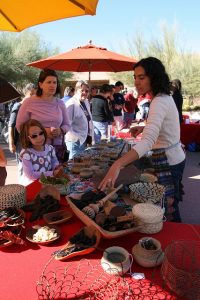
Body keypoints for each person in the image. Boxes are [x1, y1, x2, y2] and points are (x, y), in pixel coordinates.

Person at [99, 57, 186, 222]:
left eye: (142, 77)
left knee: (168, 209)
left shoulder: (159, 101)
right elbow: (165, 127)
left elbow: (147, 142)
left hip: (169, 161)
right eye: (135, 77)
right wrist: (144, 127)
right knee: (170, 205)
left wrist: (118, 164)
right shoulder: (162, 97)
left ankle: (175, 242)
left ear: (154, 77)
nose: (137, 82)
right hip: (174, 156)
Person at [16, 69, 69, 148]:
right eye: (49, 82)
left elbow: (67, 125)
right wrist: (40, 132)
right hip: (35, 150)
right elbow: (20, 127)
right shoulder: (29, 102)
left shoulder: (60, 103)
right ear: (40, 85)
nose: (52, 85)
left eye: (55, 82)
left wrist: (60, 130)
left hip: (57, 149)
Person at [19, 119, 62, 186]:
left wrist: (57, 169)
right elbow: (30, 175)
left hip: (48, 182)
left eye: (41, 133)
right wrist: (52, 173)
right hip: (32, 185)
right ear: (27, 138)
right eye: (34, 136)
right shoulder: (27, 154)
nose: (39, 137)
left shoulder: (50, 149)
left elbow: (55, 163)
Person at [65, 80, 94, 159]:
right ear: (76, 91)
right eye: (82, 90)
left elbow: (89, 120)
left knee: (81, 166)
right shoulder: (71, 104)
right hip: (74, 142)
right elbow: (66, 124)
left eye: (87, 91)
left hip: (84, 140)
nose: (84, 92)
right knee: (73, 166)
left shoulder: (86, 102)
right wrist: (76, 138)